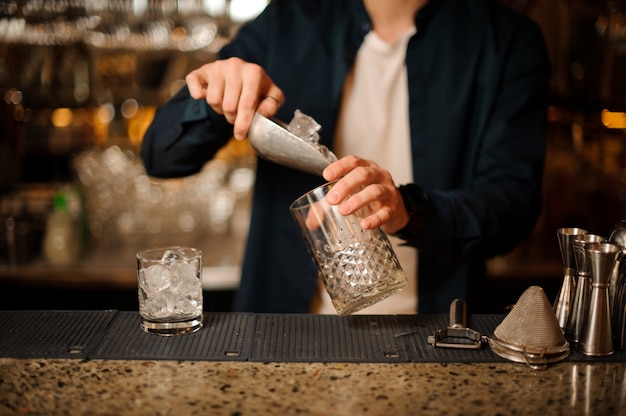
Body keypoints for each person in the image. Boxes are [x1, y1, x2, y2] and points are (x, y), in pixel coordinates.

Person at [141, 0, 551, 314]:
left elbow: (512, 206)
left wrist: (409, 210)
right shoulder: (288, 23)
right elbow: (161, 155)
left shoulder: (506, 40)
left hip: (439, 334)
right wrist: (214, 102)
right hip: (286, 333)